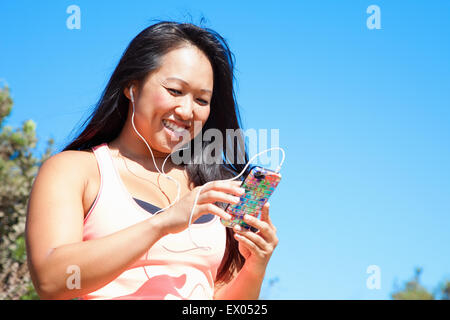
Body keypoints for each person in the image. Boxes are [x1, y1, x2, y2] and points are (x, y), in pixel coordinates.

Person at [25, 21, 279, 300]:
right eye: (175, 91)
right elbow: (51, 279)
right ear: (131, 86)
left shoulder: (214, 186)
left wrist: (255, 266)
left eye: (202, 100)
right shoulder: (76, 170)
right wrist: (163, 223)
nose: (186, 110)